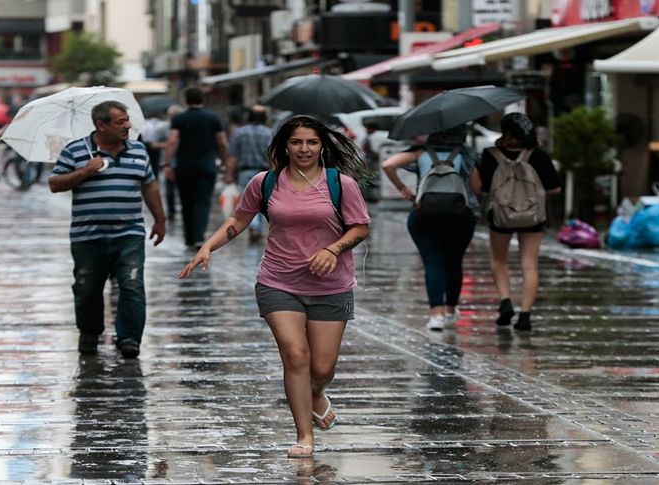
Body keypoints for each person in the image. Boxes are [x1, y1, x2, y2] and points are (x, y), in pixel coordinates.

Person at [178, 115, 373, 459]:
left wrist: (332, 249)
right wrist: (207, 246)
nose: (304, 149)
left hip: (332, 285)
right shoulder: (265, 182)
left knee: (323, 368)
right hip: (278, 281)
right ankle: (304, 436)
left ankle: (316, 394)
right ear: (285, 145)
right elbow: (239, 220)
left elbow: (359, 228)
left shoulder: (340, 184)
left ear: (322, 146)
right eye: (297, 142)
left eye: (312, 142)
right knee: (295, 355)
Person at [48, 100, 166, 359]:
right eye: (120, 122)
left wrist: (159, 218)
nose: (127, 126)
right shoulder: (76, 151)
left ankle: (129, 338)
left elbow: (149, 184)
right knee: (87, 287)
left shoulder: (138, 149)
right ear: (100, 125)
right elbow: (55, 183)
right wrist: (85, 171)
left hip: (129, 234)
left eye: (127, 120)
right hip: (88, 236)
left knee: (132, 285)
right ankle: (89, 332)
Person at [381, 125, 481, 331]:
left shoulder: (420, 152)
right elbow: (478, 188)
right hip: (460, 217)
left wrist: (403, 189)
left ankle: (436, 315)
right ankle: (450, 311)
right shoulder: (466, 155)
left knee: (432, 261)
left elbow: (388, 164)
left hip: (424, 214)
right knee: (454, 263)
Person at [478, 112, 561, 331]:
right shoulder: (538, 155)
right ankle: (525, 314)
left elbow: (484, 188)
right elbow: (555, 187)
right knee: (530, 264)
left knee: (498, 260)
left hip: (501, 216)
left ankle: (505, 301)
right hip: (533, 217)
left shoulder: (490, 154)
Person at [162, 86, 229, 249]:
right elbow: (222, 142)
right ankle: (199, 237)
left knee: (186, 202)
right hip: (206, 166)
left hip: (184, 167)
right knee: (203, 201)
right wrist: (225, 161)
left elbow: (172, 141)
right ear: (202, 99)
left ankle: (189, 237)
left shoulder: (179, 119)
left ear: (186, 100)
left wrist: (167, 163)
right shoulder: (213, 118)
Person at [224, 104, 273, 242]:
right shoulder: (270, 133)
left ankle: (254, 228)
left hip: (246, 172)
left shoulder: (239, 133)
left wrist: (229, 174)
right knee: (264, 202)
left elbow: (233, 156)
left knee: (248, 202)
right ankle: (258, 229)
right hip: (265, 174)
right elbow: (273, 157)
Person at [150, 104, 184, 222]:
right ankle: (171, 211)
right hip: (169, 163)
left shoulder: (186, 126)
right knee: (170, 190)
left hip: (183, 163)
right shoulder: (163, 128)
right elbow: (153, 144)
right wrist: (167, 145)